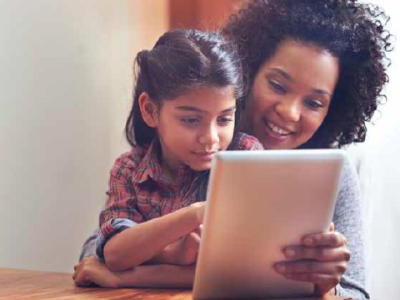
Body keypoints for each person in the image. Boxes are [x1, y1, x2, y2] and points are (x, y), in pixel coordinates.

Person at [73, 0, 392, 298]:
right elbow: (98, 249)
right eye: (278, 85)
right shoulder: (191, 150)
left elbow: (354, 293)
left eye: (314, 102)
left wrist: (324, 287)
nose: (290, 112)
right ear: (247, 75)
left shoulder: (333, 171)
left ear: (332, 110)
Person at [73, 28, 263, 285]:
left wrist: (135, 275)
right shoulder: (129, 169)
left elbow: (249, 270)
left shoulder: (247, 158)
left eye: (224, 119)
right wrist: (194, 216)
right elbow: (115, 254)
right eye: (191, 120)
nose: (211, 137)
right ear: (150, 110)